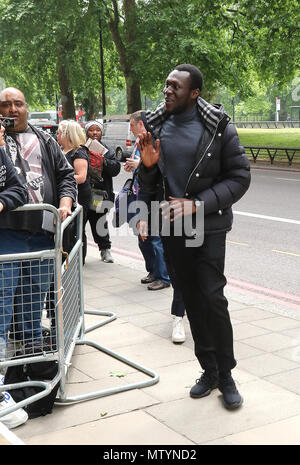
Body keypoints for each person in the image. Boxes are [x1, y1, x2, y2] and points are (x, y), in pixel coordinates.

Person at [137, 64, 251, 410]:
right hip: (172, 225)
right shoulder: (156, 126)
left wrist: (196, 205)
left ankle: (227, 375)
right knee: (191, 300)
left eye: (176, 86)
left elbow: (240, 177)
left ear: (195, 93)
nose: (167, 91)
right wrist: (148, 166)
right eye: (166, 85)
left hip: (208, 223)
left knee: (213, 297)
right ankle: (209, 370)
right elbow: (149, 182)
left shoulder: (219, 128)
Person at [0, 87, 77, 356]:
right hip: (6, 233)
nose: (12, 110)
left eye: (18, 104)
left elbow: (66, 175)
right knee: (3, 297)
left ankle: (30, 354)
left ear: (26, 107)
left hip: (43, 231)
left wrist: (65, 203)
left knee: (34, 297)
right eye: (5, 105)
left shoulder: (45, 139)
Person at [125, 111, 185, 343]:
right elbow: (148, 185)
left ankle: (193, 312)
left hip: (195, 214)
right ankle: (178, 316)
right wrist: (142, 217)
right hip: (165, 212)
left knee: (202, 276)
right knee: (178, 270)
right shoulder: (152, 145)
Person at [85, 121, 120, 263]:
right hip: (83, 193)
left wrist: (103, 161)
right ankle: (80, 254)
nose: (94, 133)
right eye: (91, 130)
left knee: (99, 220)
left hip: (99, 193)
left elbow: (116, 169)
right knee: (79, 223)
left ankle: (105, 250)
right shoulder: (80, 148)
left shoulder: (107, 150)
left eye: (97, 130)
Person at [57, 120, 91, 265]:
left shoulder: (79, 152)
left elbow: (81, 177)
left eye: (59, 133)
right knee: (67, 232)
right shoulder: (60, 150)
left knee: (77, 230)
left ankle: (78, 262)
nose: (56, 135)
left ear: (68, 135)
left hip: (79, 197)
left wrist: (60, 180)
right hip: (66, 195)